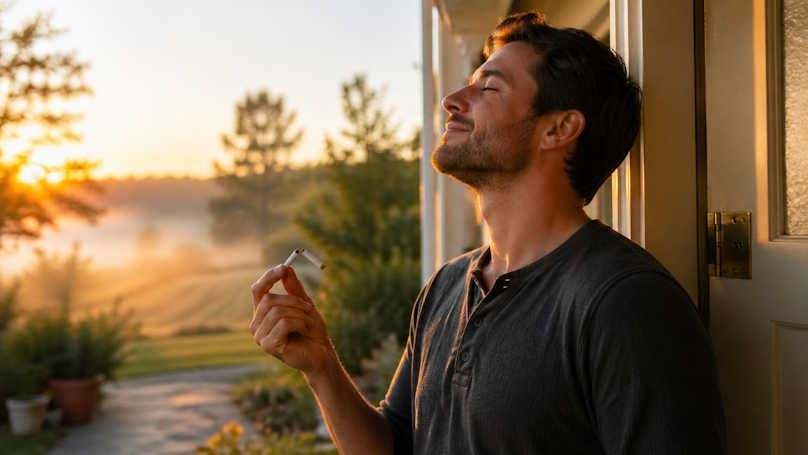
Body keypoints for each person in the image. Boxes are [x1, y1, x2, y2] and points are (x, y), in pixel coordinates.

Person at [248, 11, 727, 454]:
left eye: (489, 88)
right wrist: (321, 366)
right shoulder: (446, 287)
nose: (452, 101)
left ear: (557, 128)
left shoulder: (626, 304)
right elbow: (391, 446)